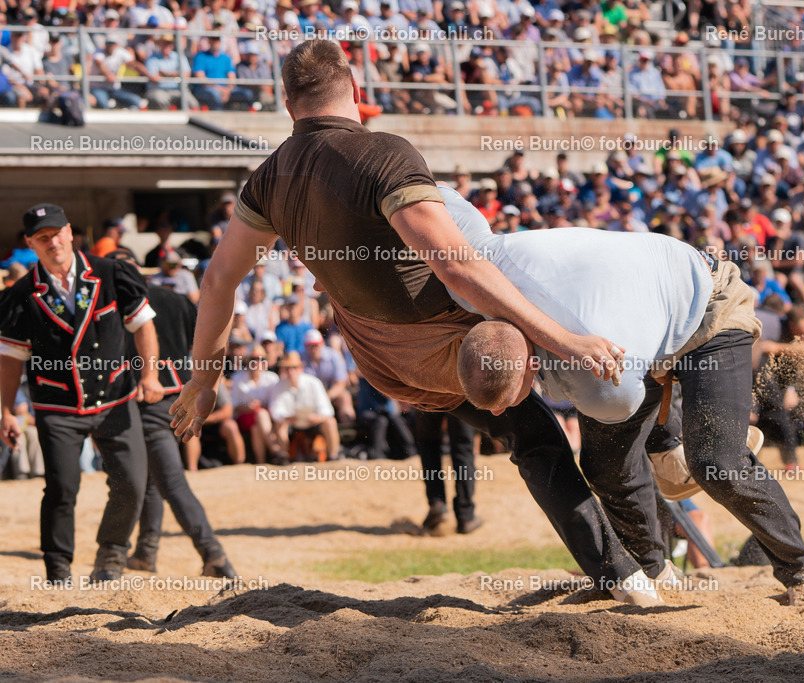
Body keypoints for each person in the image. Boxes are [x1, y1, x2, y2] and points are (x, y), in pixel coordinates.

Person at [168, 40, 654, 605]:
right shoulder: (383, 153)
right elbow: (454, 265)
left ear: (286, 102)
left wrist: (203, 381)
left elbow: (217, 281)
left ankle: (626, 564)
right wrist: (563, 339)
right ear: (356, 91)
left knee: (531, 429)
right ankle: (632, 568)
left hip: (383, 363)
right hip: (449, 346)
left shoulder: (269, 177)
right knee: (571, 392)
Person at [444, 186, 804, 606]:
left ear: (529, 365)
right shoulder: (469, 272)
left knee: (716, 462)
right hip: (638, 320)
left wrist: (667, 440)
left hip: (708, 305)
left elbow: (628, 397)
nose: (503, 412)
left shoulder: (594, 376)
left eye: (507, 399)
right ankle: (654, 569)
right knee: (605, 463)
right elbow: (436, 196)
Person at [0, 203, 162, 584]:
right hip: (56, 404)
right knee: (61, 486)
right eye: (42, 237)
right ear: (31, 243)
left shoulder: (110, 273)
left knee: (133, 483)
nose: (52, 241)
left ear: (70, 232)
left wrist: (150, 376)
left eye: (57, 233)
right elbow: (10, 358)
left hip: (116, 396)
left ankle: (111, 554)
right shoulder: (22, 295)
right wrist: (6, 411)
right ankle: (57, 569)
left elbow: (143, 326)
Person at [107, 249, 237, 578]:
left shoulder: (118, 305)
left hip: (145, 399)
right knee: (153, 479)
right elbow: (208, 337)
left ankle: (215, 557)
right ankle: (146, 554)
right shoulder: (176, 300)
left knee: (171, 482)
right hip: (180, 393)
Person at [415, 410, 480, 534]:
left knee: (428, 443)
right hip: (460, 394)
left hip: (425, 393)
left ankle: (437, 504)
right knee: (463, 448)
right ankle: (465, 516)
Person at [269, 351, 340, 461]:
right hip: (292, 424)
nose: (291, 371)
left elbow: (327, 410)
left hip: (313, 422)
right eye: (288, 368)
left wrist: (318, 417)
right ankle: (284, 458)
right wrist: (286, 418)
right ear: (284, 370)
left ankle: (333, 457)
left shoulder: (313, 383)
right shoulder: (279, 386)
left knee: (330, 422)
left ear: (300, 368)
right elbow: (275, 411)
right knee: (279, 425)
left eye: (294, 367)